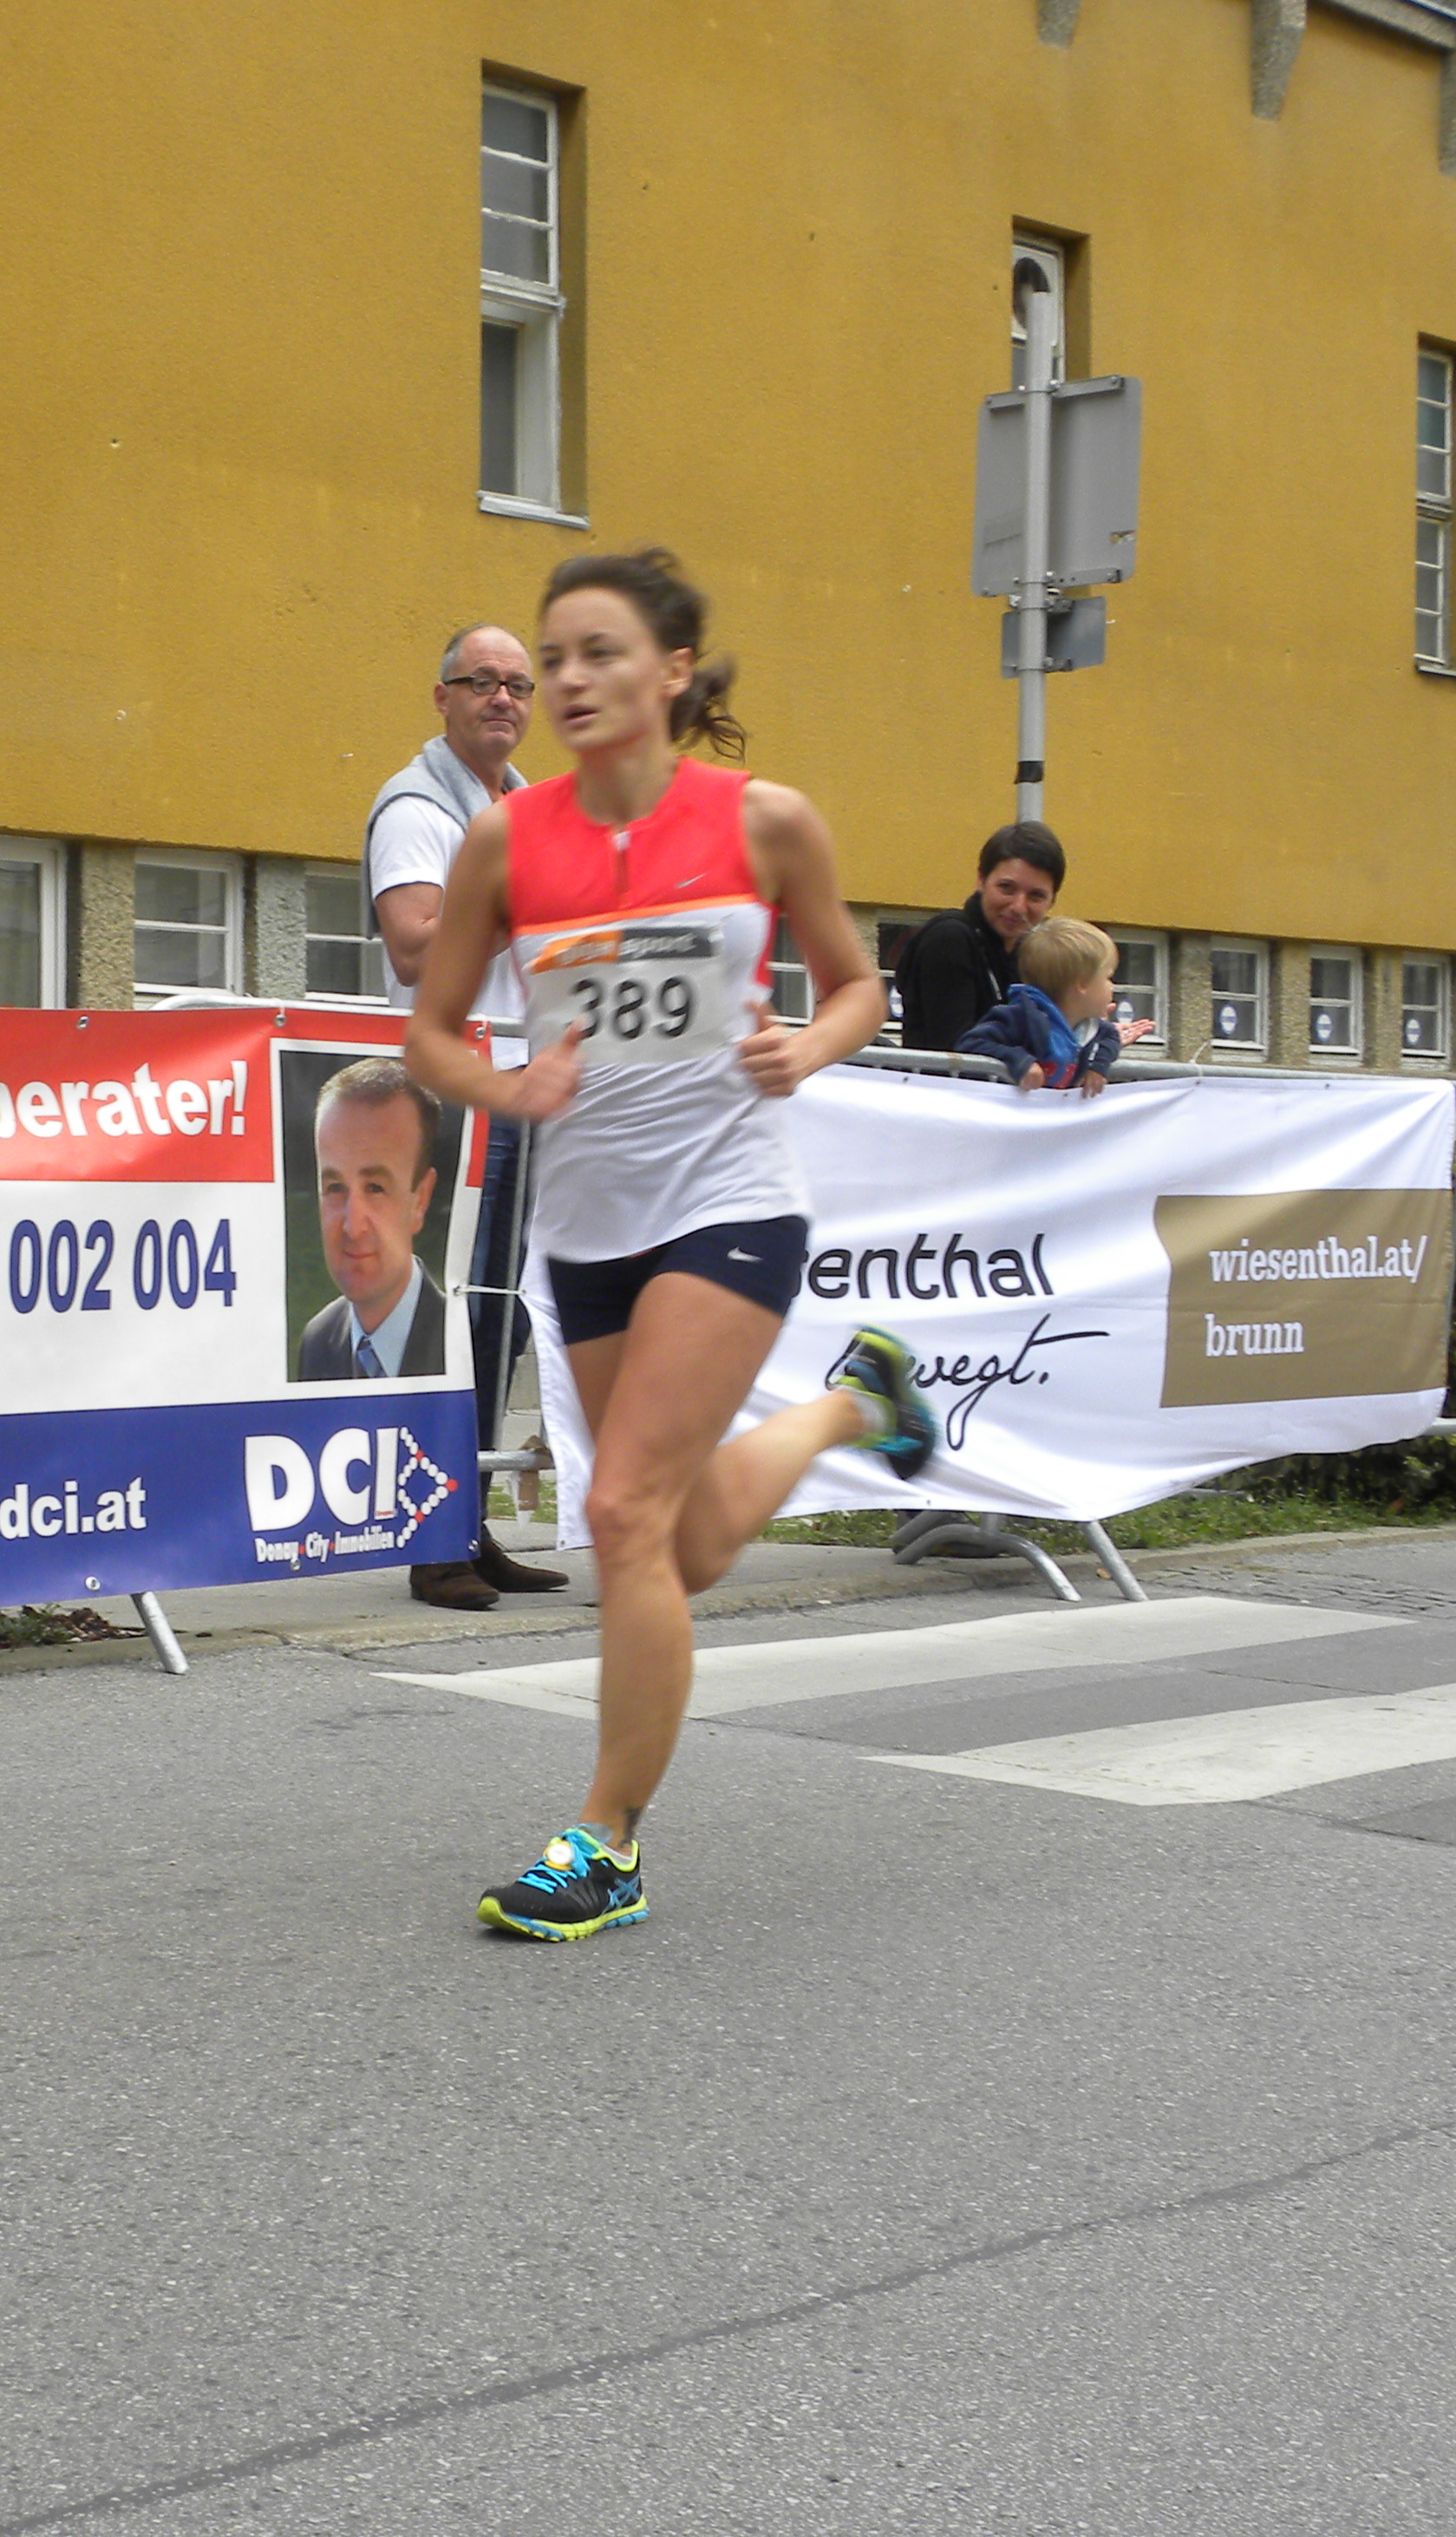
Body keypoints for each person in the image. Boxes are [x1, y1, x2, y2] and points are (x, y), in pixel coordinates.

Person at [405, 547, 940, 1941]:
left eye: (599, 654)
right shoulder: (505, 843)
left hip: (730, 1203)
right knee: (679, 1545)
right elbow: (430, 1034)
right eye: (553, 658)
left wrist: (803, 1048)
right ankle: (852, 1404)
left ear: (673, 671)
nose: (568, 681)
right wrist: (506, 1085)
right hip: (589, 1227)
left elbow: (858, 985)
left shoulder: (765, 823)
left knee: (622, 1517)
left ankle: (605, 1842)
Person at [369, 623, 567, 1610]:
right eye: (481, 681)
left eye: (517, 685)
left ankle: (469, 1522)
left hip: (520, 1087)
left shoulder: (521, 808)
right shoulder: (418, 807)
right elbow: (414, 946)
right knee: (449, 1316)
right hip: (455, 1093)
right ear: (441, 696)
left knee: (497, 1316)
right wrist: (518, 897)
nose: (502, 699)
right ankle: (429, 1538)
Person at [295, 1059, 452, 1380]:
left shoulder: (464, 1338)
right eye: (335, 1187)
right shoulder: (317, 1341)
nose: (353, 1227)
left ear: (420, 1200)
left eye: (376, 1188)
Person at [892, 821, 1066, 1057]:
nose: (1018, 907)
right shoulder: (949, 939)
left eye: (1036, 896)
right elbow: (955, 1049)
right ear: (981, 880)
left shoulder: (1032, 953)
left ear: (1052, 901)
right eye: (1006, 888)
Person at [956, 916, 1126, 1095]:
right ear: (1083, 984)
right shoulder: (1020, 1018)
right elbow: (970, 1044)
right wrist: (1019, 1061)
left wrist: (1098, 1066)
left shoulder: (1091, 1026)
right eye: (1108, 977)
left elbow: (1111, 1038)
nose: (1112, 986)